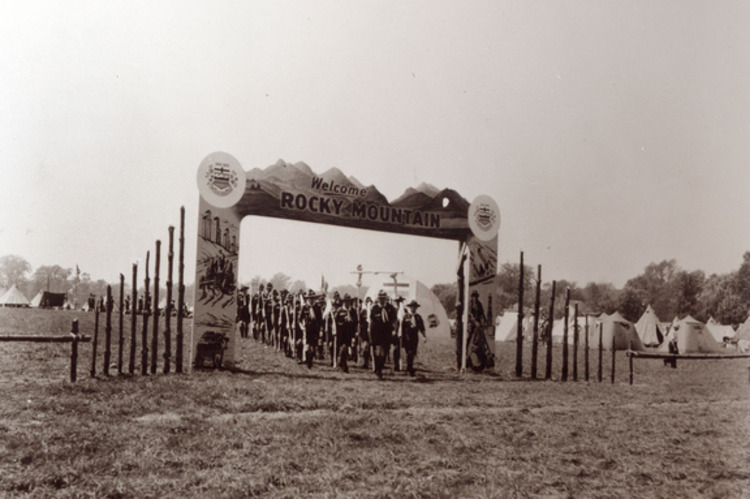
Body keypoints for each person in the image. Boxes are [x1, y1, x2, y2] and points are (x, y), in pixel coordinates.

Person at [369, 290, 397, 379]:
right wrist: (370, 334)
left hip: (387, 333)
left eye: (383, 298)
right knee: (378, 353)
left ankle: (379, 367)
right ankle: (378, 371)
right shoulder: (374, 309)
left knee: (384, 353)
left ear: (386, 298)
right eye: (380, 298)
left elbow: (394, 320)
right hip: (377, 334)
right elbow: (371, 321)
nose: (382, 300)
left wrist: (394, 330)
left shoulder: (390, 308)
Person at [402, 299, 426, 376]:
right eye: (412, 307)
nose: (413, 308)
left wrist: (424, 336)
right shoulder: (406, 316)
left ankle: (410, 367)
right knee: (409, 352)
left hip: (414, 337)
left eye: (415, 307)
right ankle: (409, 369)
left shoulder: (418, 317)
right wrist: (401, 337)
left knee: (413, 353)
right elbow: (402, 327)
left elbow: (422, 328)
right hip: (407, 337)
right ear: (410, 307)